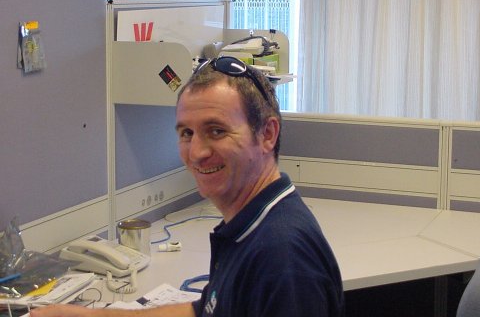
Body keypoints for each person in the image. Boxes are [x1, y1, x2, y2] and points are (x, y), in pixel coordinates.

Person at [31, 56, 345, 317]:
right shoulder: (251, 223)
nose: (196, 152)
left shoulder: (281, 259)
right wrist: (92, 316)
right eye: (186, 133)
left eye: (217, 131)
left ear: (267, 134)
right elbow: (204, 311)